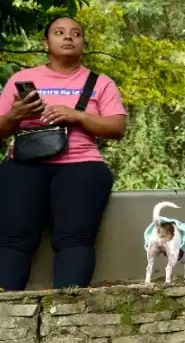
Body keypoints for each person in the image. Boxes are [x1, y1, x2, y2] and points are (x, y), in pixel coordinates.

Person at [0, 17, 127, 290]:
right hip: (24, 164)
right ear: (46, 42)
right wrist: (15, 115)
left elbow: (117, 127)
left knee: (74, 238)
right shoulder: (22, 79)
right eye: (59, 33)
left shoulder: (100, 83)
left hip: (81, 165)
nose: (68, 37)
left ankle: (67, 310)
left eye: (75, 33)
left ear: (83, 43)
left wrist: (76, 115)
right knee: (13, 238)